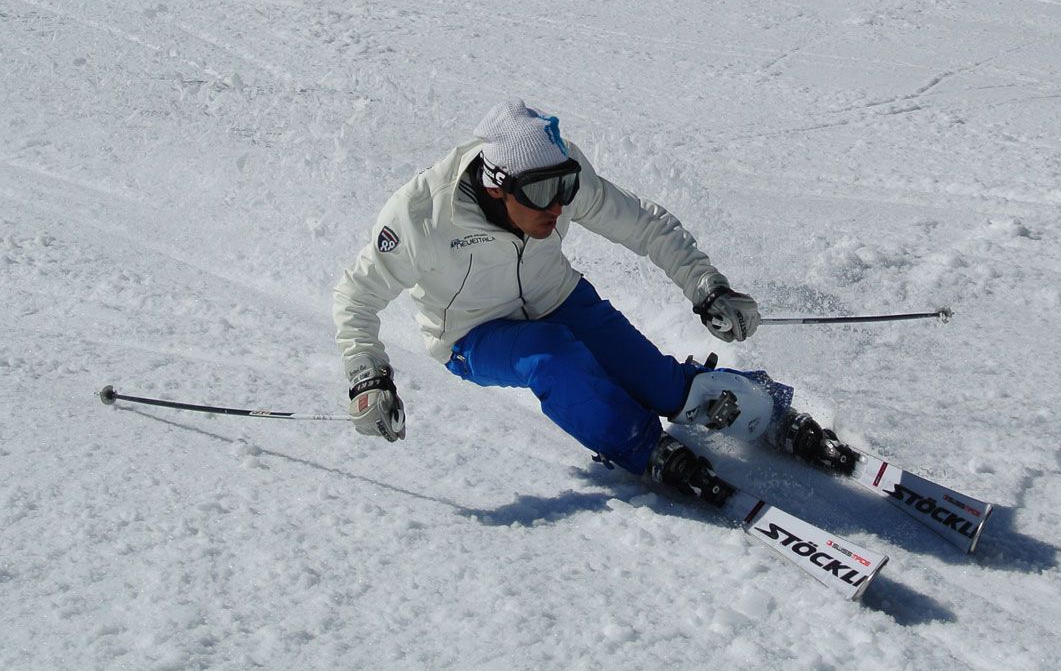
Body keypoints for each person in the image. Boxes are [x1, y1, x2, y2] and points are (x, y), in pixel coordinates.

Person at [332, 98, 850, 506]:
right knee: (553, 357)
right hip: (473, 336)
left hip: (559, 297)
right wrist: (368, 377)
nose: (557, 208)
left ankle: (769, 410)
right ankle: (644, 448)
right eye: (540, 195)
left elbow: (644, 224)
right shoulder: (420, 216)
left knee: (664, 386)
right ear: (496, 186)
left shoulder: (555, 171)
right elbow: (356, 296)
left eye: (565, 189)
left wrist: (707, 285)